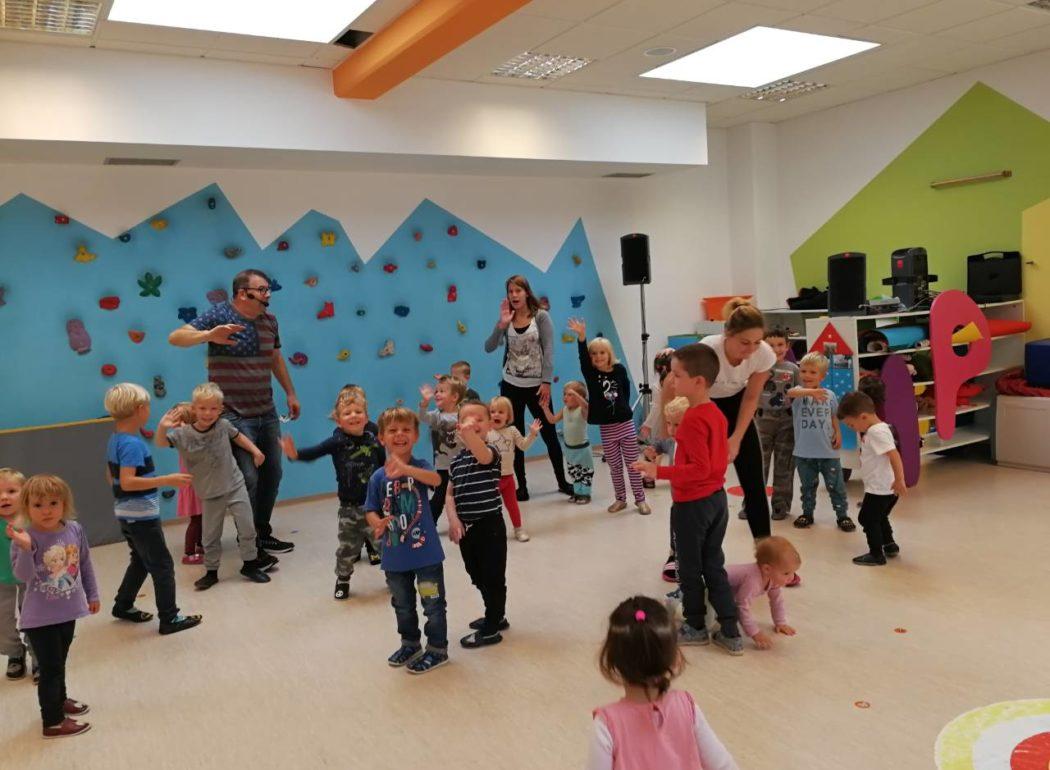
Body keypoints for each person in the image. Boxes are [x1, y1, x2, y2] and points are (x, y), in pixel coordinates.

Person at [168, 268, 298, 555]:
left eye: (267, 289)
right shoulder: (220, 315)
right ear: (242, 293)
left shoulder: (270, 321)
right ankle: (248, 542)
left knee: (273, 473)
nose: (267, 294)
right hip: (233, 414)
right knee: (248, 477)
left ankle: (261, 532)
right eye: (261, 289)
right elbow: (175, 337)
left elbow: (275, 358)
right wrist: (208, 335)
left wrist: (290, 392)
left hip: (266, 409)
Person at [632, 343, 742, 655]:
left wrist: (658, 471)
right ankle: (730, 630)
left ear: (698, 382)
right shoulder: (715, 413)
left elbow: (698, 469)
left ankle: (695, 626)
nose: (671, 380)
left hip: (693, 505)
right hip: (716, 500)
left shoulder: (693, 419)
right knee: (714, 564)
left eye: (677, 375)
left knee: (690, 568)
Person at [588, 595, 739, 770]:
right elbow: (724, 766)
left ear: (612, 660)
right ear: (674, 658)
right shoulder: (686, 706)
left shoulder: (607, 724)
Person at [156, 383, 276, 591]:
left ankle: (250, 564)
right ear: (194, 409)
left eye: (213, 408)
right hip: (210, 492)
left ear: (220, 410)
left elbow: (238, 437)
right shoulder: (184, 434)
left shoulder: (223, 425)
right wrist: (162, 426)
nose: (208, 413)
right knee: (210, 535)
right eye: (202, 408)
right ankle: (211, 572)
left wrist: (255, 451)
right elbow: (160, 443)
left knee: (248, 527)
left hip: (235, 484)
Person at [103, 383, 202, 634]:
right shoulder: (133, 445)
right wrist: (166, 480)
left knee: (140, 560)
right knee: (162, 565)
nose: (149, 410)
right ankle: (169, 618)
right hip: (141, 515)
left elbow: (111, 476)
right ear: (139, 409)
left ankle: (123, 605)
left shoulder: (116, 439)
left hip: (126, 512)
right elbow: (127, 481)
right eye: (147, 406)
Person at [7, 475, 99, 739]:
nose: (46, 510)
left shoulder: (74, 529)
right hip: (39, 618)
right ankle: (53, 721)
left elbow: (84, 563)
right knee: (50, 669)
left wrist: (92, 594)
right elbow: (23, 576)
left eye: (53, 503)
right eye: (38, 505)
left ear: (64, 504)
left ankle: (60, 700)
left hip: (68, 611)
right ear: (27, 506)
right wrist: (26, 548)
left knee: (59, 662)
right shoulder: (25, 537)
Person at [364, 408, 448, 674]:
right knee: (402, 605)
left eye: (406, 430)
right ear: (382, 438)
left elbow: (436, 480)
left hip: (426, 555)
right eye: (392, 430)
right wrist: (376, 522)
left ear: (416, 435)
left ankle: (437, 648)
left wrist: (406, 469)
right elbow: (370, 509)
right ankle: (410, 644)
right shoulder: (378, 477)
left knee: (432, 604)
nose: (399, 434)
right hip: (394, 556)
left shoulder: (421, 467)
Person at [281, 388, 385, 600]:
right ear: (338, 421)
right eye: (347, 413)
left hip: (375, 507)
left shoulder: (375, 441)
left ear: (366, 417)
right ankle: (343, 579)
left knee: (385, 545)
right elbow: (315, 452)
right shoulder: (337, 442)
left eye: (358, 411)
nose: (353, 416)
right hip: (349, 509)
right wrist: (295, 454)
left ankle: (396, 577)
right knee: (347, 550)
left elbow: (384, 467)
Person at [484, 275, 572, 500]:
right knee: (515, 437)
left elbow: (549, 349)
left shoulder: (540, 316)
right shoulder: (507, 318)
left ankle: (562, 481)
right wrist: (501, 325)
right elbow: (489, 347)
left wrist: (546, 382)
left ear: (526, 292)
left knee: (549, 434)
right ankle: (521, 486)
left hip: (537, 387)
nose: (514, 295)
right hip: (511, 386)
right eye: (510, 291)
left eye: (518, 291)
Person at [700, 299, 776, 540]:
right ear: (727, 334)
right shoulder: (707, 350)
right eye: (744, 342)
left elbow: (751, 397)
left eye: (757, 342)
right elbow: (692, 394)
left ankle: (765, 550)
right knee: (698, 484)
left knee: (754, 483)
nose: (751, 349)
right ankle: (680, 551)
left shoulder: (764, 354)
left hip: (737, 406)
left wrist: (736, 439)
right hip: (704, 406)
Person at [569, 318, 650, 515]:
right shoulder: (591, 373)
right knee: (615, 467)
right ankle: (620, 499)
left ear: (609, 354)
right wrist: (582, 337)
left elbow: (625, 391)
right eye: (594, 353)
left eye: (602, 352)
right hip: (607, 428)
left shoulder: (619, 370)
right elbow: (582, 358)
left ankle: (640, 500)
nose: (598, 357)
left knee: (633, 464)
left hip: (625, 424)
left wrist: (621, 409)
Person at [446, 400, 508, 649]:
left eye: (479, 419)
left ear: (490, 425)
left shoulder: (490, 452)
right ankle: (496, 613)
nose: (473, 423)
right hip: (467, 529)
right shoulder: (456, 461)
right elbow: (449, 494)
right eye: (467, 420)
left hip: (489, 526)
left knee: (493, 577)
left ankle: (492, 628)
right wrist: (453, 519)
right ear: (458, 427)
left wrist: (469, 433)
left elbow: (481, 454)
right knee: (476, 574)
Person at [787, 353, 854, 532]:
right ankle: (807, 513)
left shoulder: (829, 395)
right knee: (807, 487)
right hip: (804, 452)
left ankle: (842, 515)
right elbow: (789, 392)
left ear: (822, 376)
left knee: (836, 486)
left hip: (828, 452)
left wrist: (838, 433)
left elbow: (833, 416)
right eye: (803, 371)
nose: (807, 375)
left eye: (812, 372)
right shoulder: (798, 393)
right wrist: (810, 392)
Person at [837, 392, 905, 566]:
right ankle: (889, 544)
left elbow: (894, 455)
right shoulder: (880, 428)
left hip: (881, 488)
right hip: (884, 487)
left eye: (851, 425)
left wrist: (899, 480)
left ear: (863, 417)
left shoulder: (876, 432)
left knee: (867, 518)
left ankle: (876, 554)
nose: (852, 428)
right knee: (880, 516)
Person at [642, 397, 689, 584]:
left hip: (696, 500)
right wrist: (653, 449)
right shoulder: (671, 441)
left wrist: (659, 472)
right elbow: (661, 444)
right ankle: (674, 554)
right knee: (676, 526)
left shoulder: (694, 445)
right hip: (677, 498)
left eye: (677, 425)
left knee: (694, 531)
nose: (672, 430)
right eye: (669, 424)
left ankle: (696, 558)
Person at [754, 328, 799, 521]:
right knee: (758, 465)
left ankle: (781, 505)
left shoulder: (793, 369)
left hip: (786, 422)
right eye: (771, 345)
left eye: (780, 344)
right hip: (762, 420)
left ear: (787, 346)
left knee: (784, 465)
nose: (776, 349)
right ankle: (753, 505)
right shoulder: (757, 367)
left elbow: (799, 394)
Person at [726, 536, 800, 650]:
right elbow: (741, 607)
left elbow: (777, 601)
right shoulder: (753, 581)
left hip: (726, 594)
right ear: (767, 569)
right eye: (786, 573)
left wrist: (780, 622)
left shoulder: (772, 578)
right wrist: (755, 633)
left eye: (793, 572)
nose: (792, 578)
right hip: (709, 587)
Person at [487, 396, 540, 542]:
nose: (496, 414)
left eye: (500, 412)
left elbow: (523, 445)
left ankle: (518, 529)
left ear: (508, 416)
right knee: (491, 508)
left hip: (508, 478)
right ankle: (491, 532)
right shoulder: (486, 432)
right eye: (492, 411)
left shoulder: (512, 430)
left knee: (513, 506)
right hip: (491, 478)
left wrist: (532, 434)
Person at [418, 376, 466, 523]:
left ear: (454, 397)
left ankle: (463, 522)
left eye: (442, 391)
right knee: (439, 497)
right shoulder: (436, 416)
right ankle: (430, 524)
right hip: (442, 467)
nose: (437, 394)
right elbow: (422, 417)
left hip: (462, 465)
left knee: (462, 496)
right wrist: (424, 403)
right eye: (436, 391)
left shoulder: (463, 415)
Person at [540, 381, 594, 504]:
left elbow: (586, 405)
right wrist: (545, 408)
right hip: (569, 449)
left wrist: (576, 394)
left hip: (583, 449)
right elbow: (552, 420)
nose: (565, 397)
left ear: (579, 396)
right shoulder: (565, 410)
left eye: (569, 395)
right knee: (574, 472)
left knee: (585, 471)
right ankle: (577, 492)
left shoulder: (582, 410)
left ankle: (585, 494)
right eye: (564, 394)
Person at [0, 467, 30, 680]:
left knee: (33, 618)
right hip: (1, 580)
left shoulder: (32, 519)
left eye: (11, 491)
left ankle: (38, 655)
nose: (4, 497)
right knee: (2, 622)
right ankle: (15, 652)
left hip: (30, 578)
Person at [169, 403, 204, 565]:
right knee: (196, 520)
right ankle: (189, 553)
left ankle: (201, 545)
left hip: (197, 483)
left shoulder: (185, 436)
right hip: (194, 484)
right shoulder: (185, 437)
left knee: (201, 518)